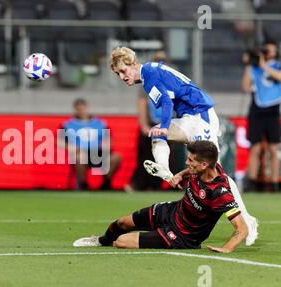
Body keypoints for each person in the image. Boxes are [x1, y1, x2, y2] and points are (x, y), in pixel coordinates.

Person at [109, 46, 259, 246]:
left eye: (123, 71)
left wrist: (164, 126)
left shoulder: (149, 74)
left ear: (133, 64)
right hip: (189, 117)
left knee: (215, 171)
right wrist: (162, 128)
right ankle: (165, 170)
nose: (121, 76)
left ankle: (248, 222)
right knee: (156, 134)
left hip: (201, 116)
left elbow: (167, 103)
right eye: (117, 73)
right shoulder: (149, 72)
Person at [73, 141, 248, 252]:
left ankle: (119, 242)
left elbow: (242, 229)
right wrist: (180, 175)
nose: (187, 163)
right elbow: (190, 170)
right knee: (122, 223)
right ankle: (101, 241)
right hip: (171, 211)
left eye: (191, 161)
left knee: (121, 242)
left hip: (182, 235)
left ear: (204, 165)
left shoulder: (219, 192)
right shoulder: (205, 166)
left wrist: (226, 248)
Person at [126, 51, 175, 191]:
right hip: (152, 123)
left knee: (165, 155)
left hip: (166, 124)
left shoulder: (169, 80)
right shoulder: (147, 81)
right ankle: (139, 184)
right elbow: (142, 103)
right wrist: (144, 125)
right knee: (146, 155)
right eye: (158, 60)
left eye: (163, 60)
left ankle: (157, 185)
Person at [241, 40, 281, 192]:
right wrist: (249, 65)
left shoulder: (277, 65)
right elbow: (245, 87)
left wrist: (264, 65)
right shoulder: (254, 68)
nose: (267, 53)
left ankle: (274, 182)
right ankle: (251, 182)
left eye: (269, 50)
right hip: (256, 112)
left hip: (272, 112)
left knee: (273, 149)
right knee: (255, 148)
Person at [61, 98, 122, 190]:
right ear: (75, 110)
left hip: (99, 152)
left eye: (83, 108)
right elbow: (59, 141)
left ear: (86, 108)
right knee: (79, 158)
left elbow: (108, 138)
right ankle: (83, 185)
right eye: (79, 109)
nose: (81, 111)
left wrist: (106, 146)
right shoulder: (68, 124)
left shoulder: (99, 123)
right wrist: (72, 148)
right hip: (81, 153)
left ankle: (105, 184)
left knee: (116, 157)